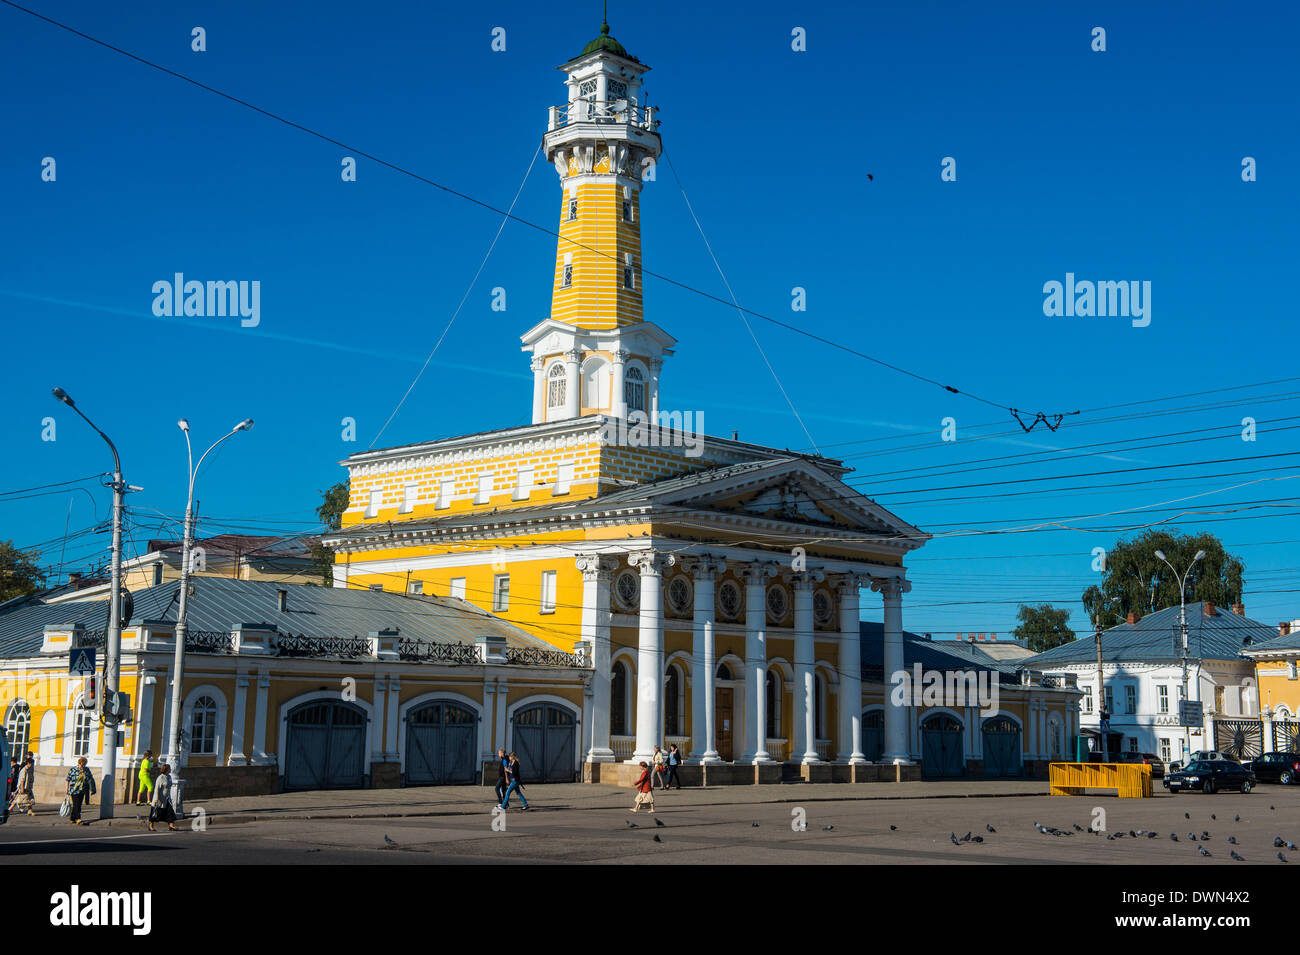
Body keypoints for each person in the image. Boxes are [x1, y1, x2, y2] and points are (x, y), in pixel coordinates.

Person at [65, 756, 96, 825]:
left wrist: (92, 789)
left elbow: (90, 779)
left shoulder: (86, 770)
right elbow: (67, 779)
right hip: (74, 790)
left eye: (84, 765)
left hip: (82, 790)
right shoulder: (73, 770)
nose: (82, 766)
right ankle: (78, 818)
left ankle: (72, 818)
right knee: (76, 804)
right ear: (79, 763)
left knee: (78, 804)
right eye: (81, 765)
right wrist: (67, 789)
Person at [149, 763, 179, 831]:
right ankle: (151, 825)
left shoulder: (169, 777)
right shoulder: (160, 778)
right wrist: (156, 799)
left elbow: (169, 786)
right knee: (155, 812)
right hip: (159, 799)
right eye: (169, 769)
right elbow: (157, 789)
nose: (170, 770)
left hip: (166, 798)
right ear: (166, 770)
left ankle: (171, 825)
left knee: (170, 812)